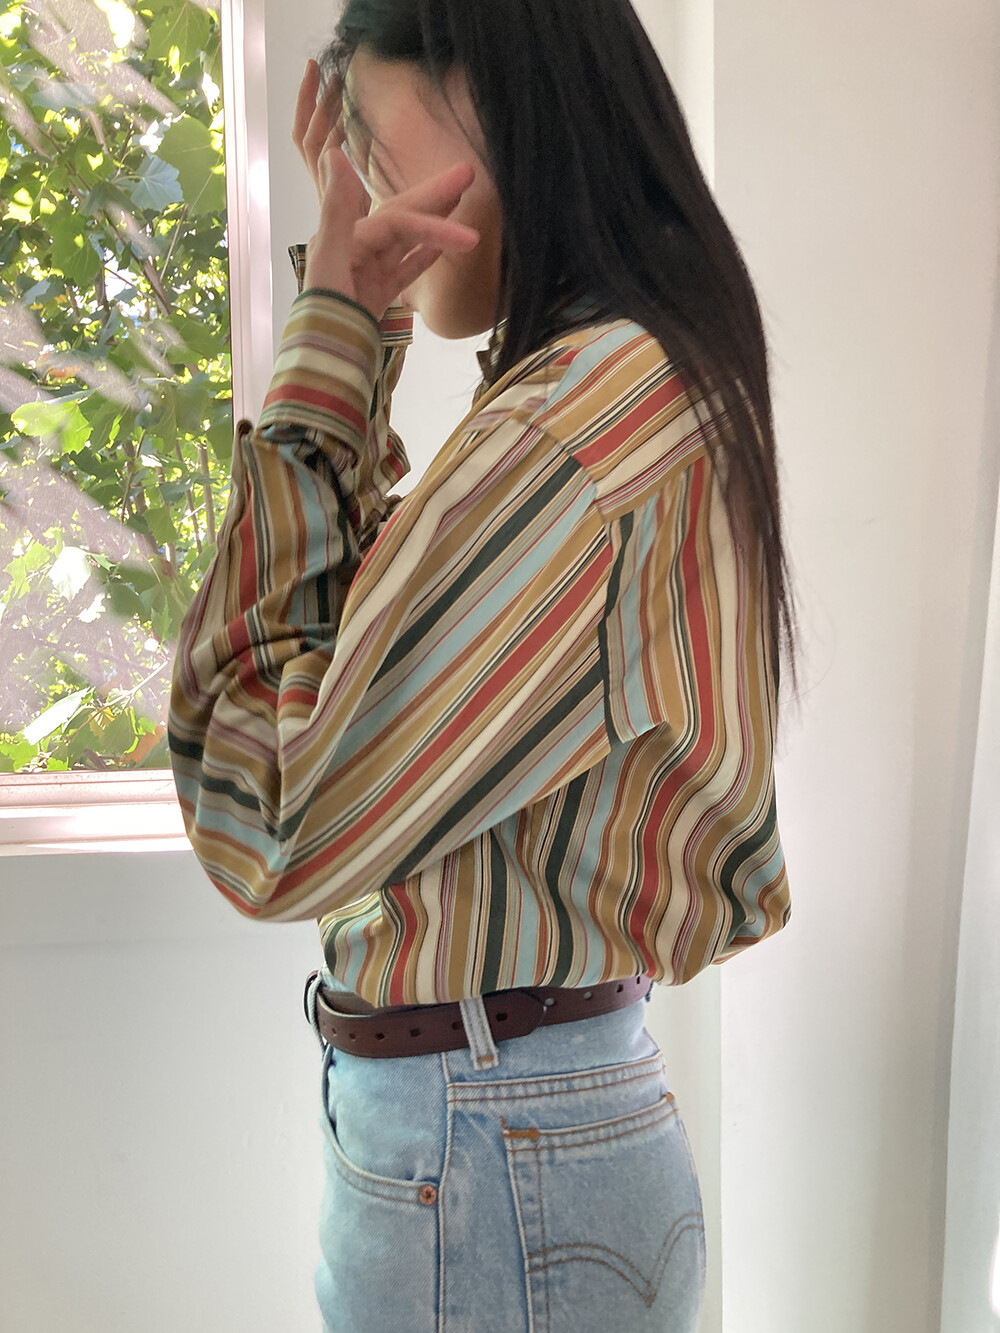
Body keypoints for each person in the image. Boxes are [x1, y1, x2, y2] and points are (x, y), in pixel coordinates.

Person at [168, 1, 795, 1328]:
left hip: (494, 1133)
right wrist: (356, 322)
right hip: (513, 1128)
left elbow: (268, 815)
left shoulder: (573, 427)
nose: (358, 192)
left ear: (498, 94)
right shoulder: (616, 381)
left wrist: (336, 330)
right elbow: (347, 670)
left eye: (370, 147)